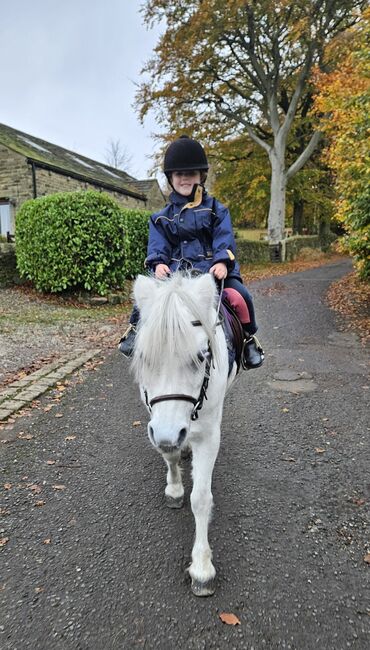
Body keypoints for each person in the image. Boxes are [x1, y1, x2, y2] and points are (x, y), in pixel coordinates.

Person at [119, 135, 264, 369]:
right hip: (177, 273)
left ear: (201, 176)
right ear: (171, 179)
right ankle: (134, 332)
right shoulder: (160, 218)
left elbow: (223, 238)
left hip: (213, 271)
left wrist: (221, 261)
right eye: (179, 174)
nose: (185, 179)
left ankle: (248, 340)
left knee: (240, 297)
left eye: (190, 174)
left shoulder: (217, 209)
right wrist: (158, 263)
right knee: (143, 300)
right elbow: (158, 244)